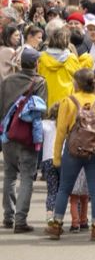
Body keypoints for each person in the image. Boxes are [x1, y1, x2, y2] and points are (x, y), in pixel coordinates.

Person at [45, 68, 95, 241]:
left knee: (64, 188)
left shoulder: (68, 102)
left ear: (77, 83)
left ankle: (57, 225)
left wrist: (57, 157)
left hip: (73, 151)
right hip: (94, 152)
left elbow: (60, 132)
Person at [1, 47, 48, 233]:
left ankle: (8, 217)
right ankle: (20, 221)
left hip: (7, 134)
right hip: (27, 136)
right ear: (36, 63)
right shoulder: (39, 82)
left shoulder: (7, 80)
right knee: (27, 176)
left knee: (10, 175)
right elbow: (41, 110)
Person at [38, 27, 94, 109]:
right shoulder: (71, 58)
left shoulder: (42, 57)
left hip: (46, 98)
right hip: (66, 99)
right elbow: (79, 77)